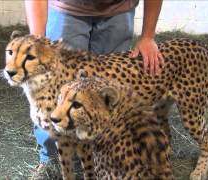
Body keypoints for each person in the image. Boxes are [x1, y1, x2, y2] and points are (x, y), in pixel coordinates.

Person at [24, 0, 164, 175]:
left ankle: (103, 163)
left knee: (105, 100)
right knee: (54, 93)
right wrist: (37, 41)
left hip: (118, 12)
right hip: (66, 10)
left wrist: (148, 36)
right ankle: (51, 160)